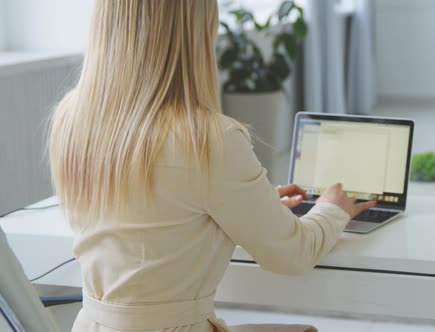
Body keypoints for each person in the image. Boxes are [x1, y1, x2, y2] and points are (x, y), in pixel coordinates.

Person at [48, 1, 375, 331]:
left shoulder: (71, 118)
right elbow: (293, 254)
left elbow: (152, 213)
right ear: (195, 33)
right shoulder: (208, 139)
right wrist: (332, 209)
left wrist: (252, 201)